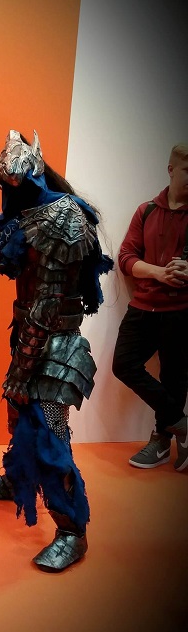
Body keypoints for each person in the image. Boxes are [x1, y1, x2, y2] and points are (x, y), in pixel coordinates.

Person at [0, 129, 113, 572]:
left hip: (54, 344)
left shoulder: (65, 219)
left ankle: (71, 531)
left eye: (17, 185)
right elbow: (19, 226)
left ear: (34, 177)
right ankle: (17, 477)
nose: (12, 194)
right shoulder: (38, 210)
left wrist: (22, 371)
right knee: (17, 418)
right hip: (27, 331)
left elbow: (46, 304)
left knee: (49, 436)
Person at [112, 143, 188, 471]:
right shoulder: (146, 210)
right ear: (171, 170)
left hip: (181, 311)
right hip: (143, 307)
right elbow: (125, 257)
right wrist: (159, 272)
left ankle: (161, 442)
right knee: (123, 365)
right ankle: (182, 425)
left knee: (174, 377)